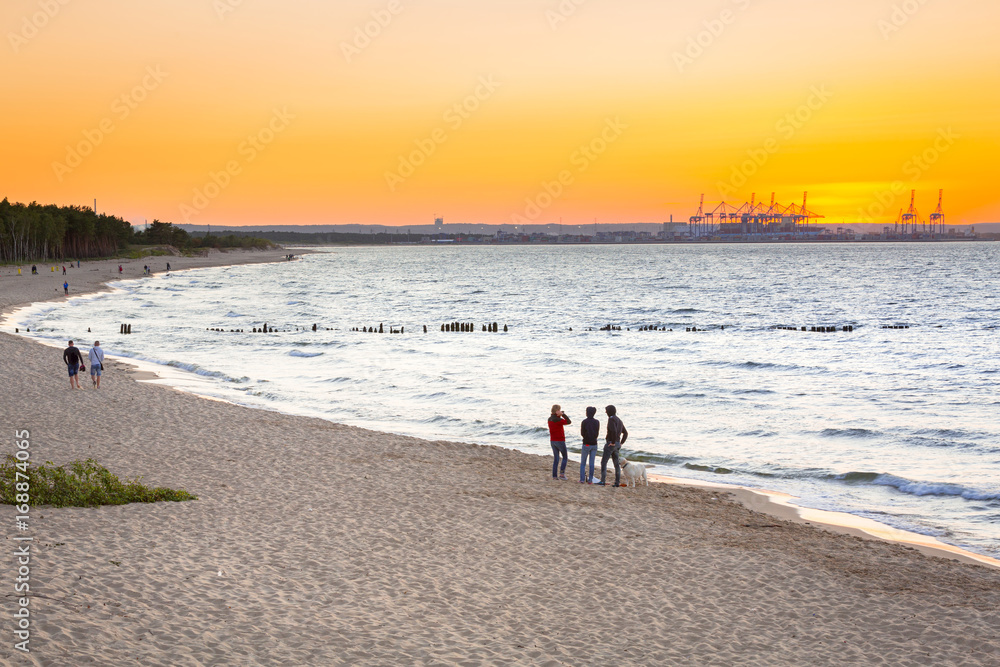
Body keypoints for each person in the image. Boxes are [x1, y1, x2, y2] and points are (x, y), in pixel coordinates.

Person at [598, 405, 628, 487]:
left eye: (606, 410)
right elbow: (625, 433)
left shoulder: (611, 419)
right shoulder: (619, 420)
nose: (605, 412)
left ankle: (602, 481)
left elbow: (614, 431)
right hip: (617, 444)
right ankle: (617, 482)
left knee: (604, 462)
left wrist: (613, 442)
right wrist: (621, 443)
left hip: (611, 443)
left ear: (609, 411)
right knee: (616, 464)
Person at [547, 404, 571, 480]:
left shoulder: (549, 419)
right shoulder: (558, 420)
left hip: (553, 440)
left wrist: (559, 415)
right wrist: (563, 415)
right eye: (560, 410)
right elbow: (568, 421)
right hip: (560, 440)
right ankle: (562, 474)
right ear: (557, 411)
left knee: (556, 458)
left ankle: (554, 476)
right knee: (565, 457)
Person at [579, 406, 600, 484]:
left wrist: (585, 437)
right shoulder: (597, 422)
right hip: (594, 443)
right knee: (592, 463)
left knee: (583, 463)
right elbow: (597, 433)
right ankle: (590, 480)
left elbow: (582, 433)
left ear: (587, 413)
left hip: (586, 443)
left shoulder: (584, 422)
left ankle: (582, 479)